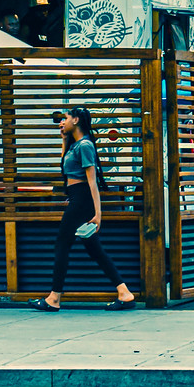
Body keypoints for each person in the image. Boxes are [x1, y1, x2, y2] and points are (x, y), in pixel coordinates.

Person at [34, 108, 137, 312]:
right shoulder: (74, 145)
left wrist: (98, 214)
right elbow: (66, 170)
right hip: (76, 198)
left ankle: (54, 298)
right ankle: (124, 293)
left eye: (65, 119)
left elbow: (92, 182)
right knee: (94, 249)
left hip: (83, 199)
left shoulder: (85, 145)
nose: (61, 123)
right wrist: (64, 139)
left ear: (76, 119)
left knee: (62, 244)